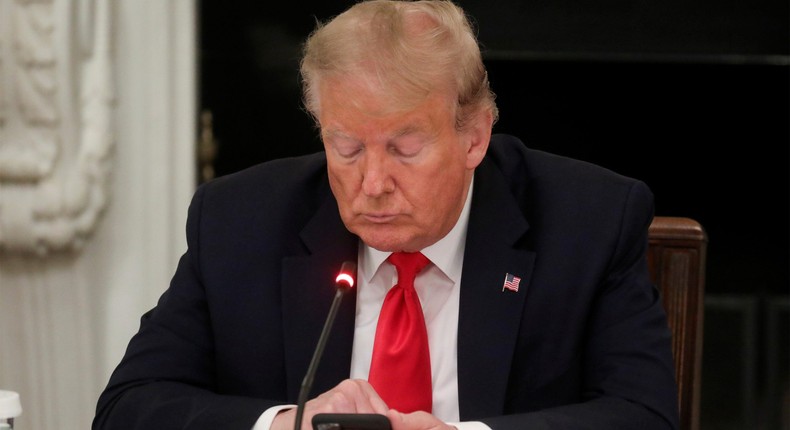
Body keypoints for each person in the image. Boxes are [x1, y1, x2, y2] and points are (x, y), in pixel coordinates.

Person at [93, 1, 679, 429]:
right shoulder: (239, 221)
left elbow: (642, 415)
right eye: (346, 148)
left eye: (404, 148)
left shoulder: (589, 222)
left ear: (474, 136)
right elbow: (129, 405)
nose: (371, 184)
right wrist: (284, 424)